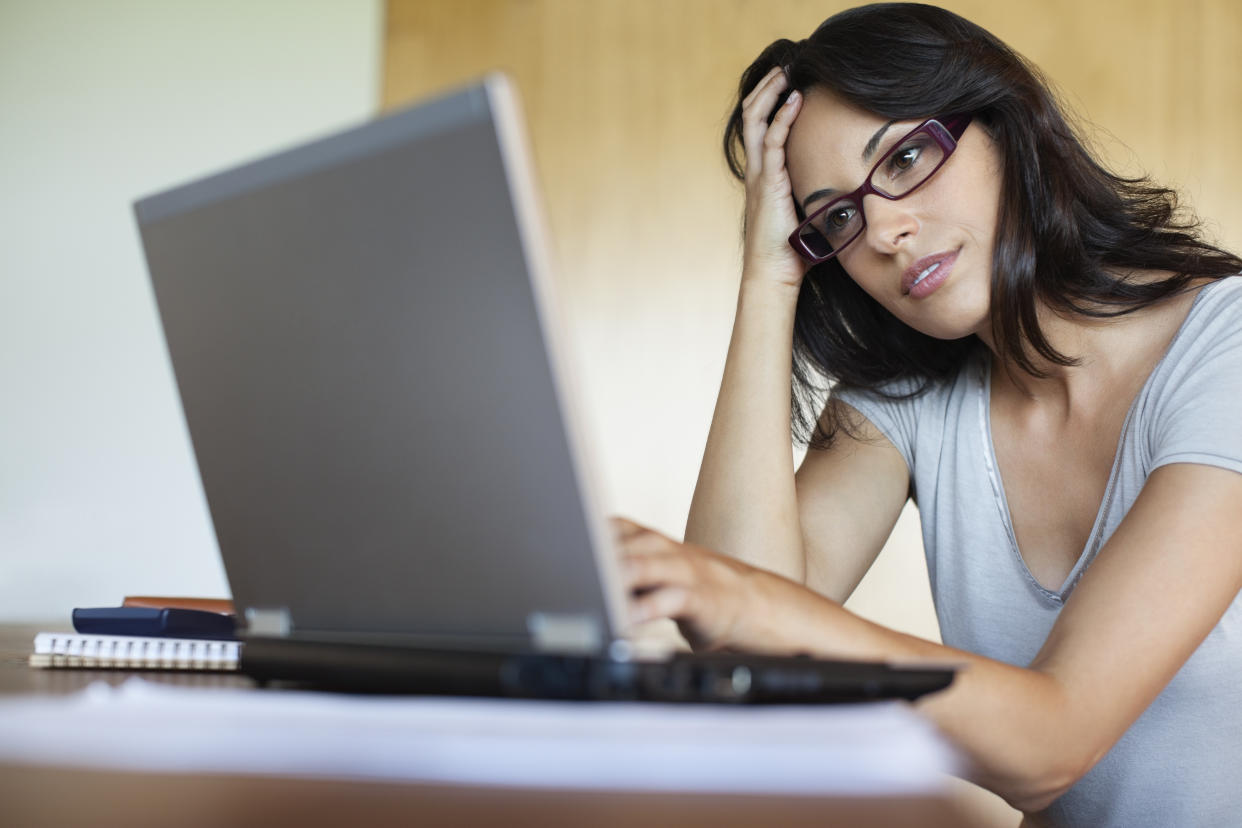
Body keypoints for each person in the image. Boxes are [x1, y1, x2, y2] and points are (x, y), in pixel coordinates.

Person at [610, 4, 1242, 826]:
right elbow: (733, 636)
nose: (884, 230)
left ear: (1006, 127)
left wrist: (742, 602)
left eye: (906, 157)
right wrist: (770, 273)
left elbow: (1054, 742)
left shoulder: (1223, 350)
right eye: (835, 218)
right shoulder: (908, 401)